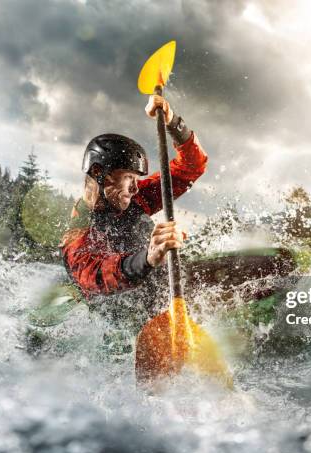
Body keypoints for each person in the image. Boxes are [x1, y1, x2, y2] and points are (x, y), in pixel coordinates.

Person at [60, 96, 207, 321]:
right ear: (101, 174)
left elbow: (191, 167)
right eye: (129, 177)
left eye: (137, 178)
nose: (136, 188)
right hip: (115, 312)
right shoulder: (80, 227)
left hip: (154, 285)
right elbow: (93, 276)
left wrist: (172, 122)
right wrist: (147, 258)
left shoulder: (132, 198)